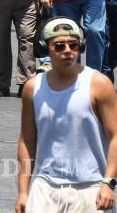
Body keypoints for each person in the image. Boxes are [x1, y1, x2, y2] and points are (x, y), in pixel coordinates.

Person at [16, 18, 117, 213]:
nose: (67, 51)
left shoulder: (99, 84)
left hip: (92, 187)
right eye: (59, 46)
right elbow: (27, 141)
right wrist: (23, 191)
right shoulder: (32, 88)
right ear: (46, 48)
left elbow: (115, 136)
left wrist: (109, 182)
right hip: (45, 188)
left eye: (73, 44)